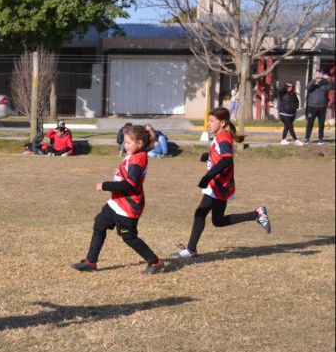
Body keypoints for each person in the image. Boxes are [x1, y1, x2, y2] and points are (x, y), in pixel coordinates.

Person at [172, 107, 271, 260]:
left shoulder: (223, 137)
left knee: (200, 213)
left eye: (212, 121)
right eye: (208, 121)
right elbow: (220, 155)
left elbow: (227, 159)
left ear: (222, 123)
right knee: (217, 220)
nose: (208, 124)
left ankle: (191, 250)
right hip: (220, 184)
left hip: (217, 184)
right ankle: (256, 214)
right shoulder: (221, 136)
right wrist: (208, 156)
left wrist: (208, 176)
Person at [71, 125, 165, 275]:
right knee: (99, 224)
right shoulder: (135, 156)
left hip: (128, 207)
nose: (124, 145)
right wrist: (120, 171)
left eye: (128, 143)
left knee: (129, 237)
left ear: (139, 144)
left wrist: (105, 185)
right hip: (117, 203)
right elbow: (129, 176)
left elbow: (129, 184)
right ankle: (91, 262)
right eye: (125, 142)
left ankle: (155, 262)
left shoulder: (137, 159)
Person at [305, 70, 333, 145]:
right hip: (312, 106)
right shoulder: (312, 82)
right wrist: (314, 79)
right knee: (310, 123)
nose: (318, 75)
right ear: (315, 74)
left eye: (320, 74)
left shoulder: (325, 82)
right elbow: (307, 88)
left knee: (321, 124)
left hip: (322, 107)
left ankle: (320, 139)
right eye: (317, 74)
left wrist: (328, 79)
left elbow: (330, 87)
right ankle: (307, 139)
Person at [277, 81, 301, 145]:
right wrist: (285, 85)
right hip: (283, 113)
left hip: (292, 114)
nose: (289, 87)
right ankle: (296, 140)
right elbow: (280, 91)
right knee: (290, 127)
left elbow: (297, 102)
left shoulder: (293, 94)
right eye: (288, 86)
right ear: (286, 87)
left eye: (291, 86)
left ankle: (283, 140)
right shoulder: (282, 93)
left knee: (287, 127)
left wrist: (295, 108)